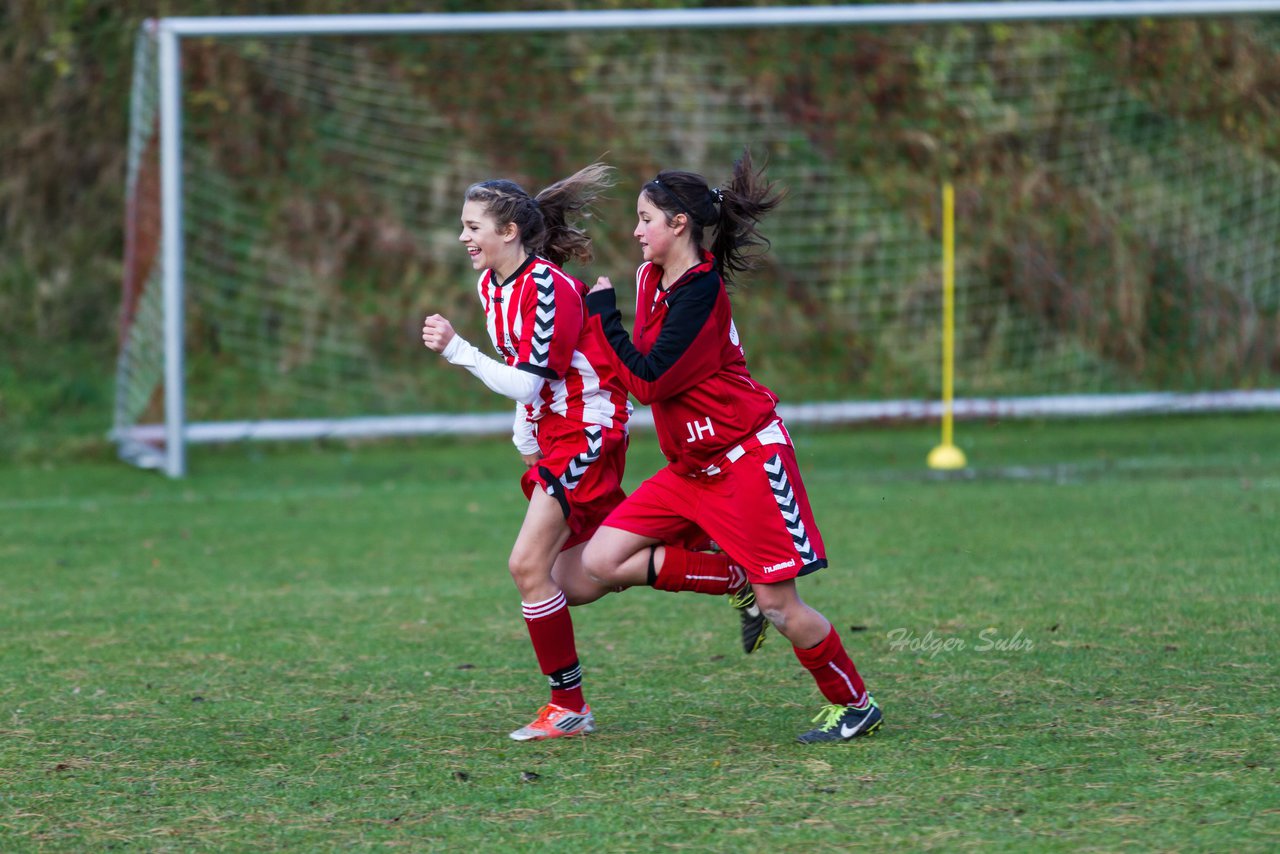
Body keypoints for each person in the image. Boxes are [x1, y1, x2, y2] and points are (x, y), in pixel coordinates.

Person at [422, 165, 766, 743]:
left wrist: (460, 351)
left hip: (588, 431)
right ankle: (728, 569)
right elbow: (525, 379)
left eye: (472, 225)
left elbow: (531, 381)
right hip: (556, 433)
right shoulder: (492, 286)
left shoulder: (548, 287)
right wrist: (523, 435)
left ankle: (568, 706)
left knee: (527, 566)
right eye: (462, 226)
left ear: (509, 231)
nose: (463, 237)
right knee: (573, 580)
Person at [581, 150, 883, 744]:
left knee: (782, 608)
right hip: (691, 469)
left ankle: (855, 703)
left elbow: (650, 380)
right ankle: (732, 579)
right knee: (600, 561)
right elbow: (638, 371)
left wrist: (602, 316)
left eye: (645, 218)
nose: (636, 230)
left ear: (678, 225)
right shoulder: (649, 279)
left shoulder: (701, 292)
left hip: (746, 460)